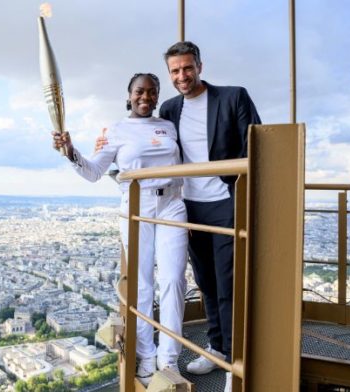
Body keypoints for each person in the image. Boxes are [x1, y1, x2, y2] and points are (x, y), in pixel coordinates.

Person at [95, 42, 261, 392]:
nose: (182, 76)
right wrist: (108, 149)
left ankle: (233, 362)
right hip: (186, 204)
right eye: (175, 71)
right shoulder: (170, 108)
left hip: (225, 200)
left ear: (200, 66)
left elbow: (255, 147)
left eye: (187, 68)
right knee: (206, 282)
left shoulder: (233, 97)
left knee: (228, 283)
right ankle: (216, 345)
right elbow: (148, 142)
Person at [52, 73, 188, 385]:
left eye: (152, 92)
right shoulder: (116, 129)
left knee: (173, 281)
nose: (146, 97)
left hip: (172, 205)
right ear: (129, 95)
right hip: (137, 206)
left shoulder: (168, 125)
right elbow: (95, 171)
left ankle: (169, 359)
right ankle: (146, 354)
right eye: (140, 91)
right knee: (141, 286)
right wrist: (71, 151)